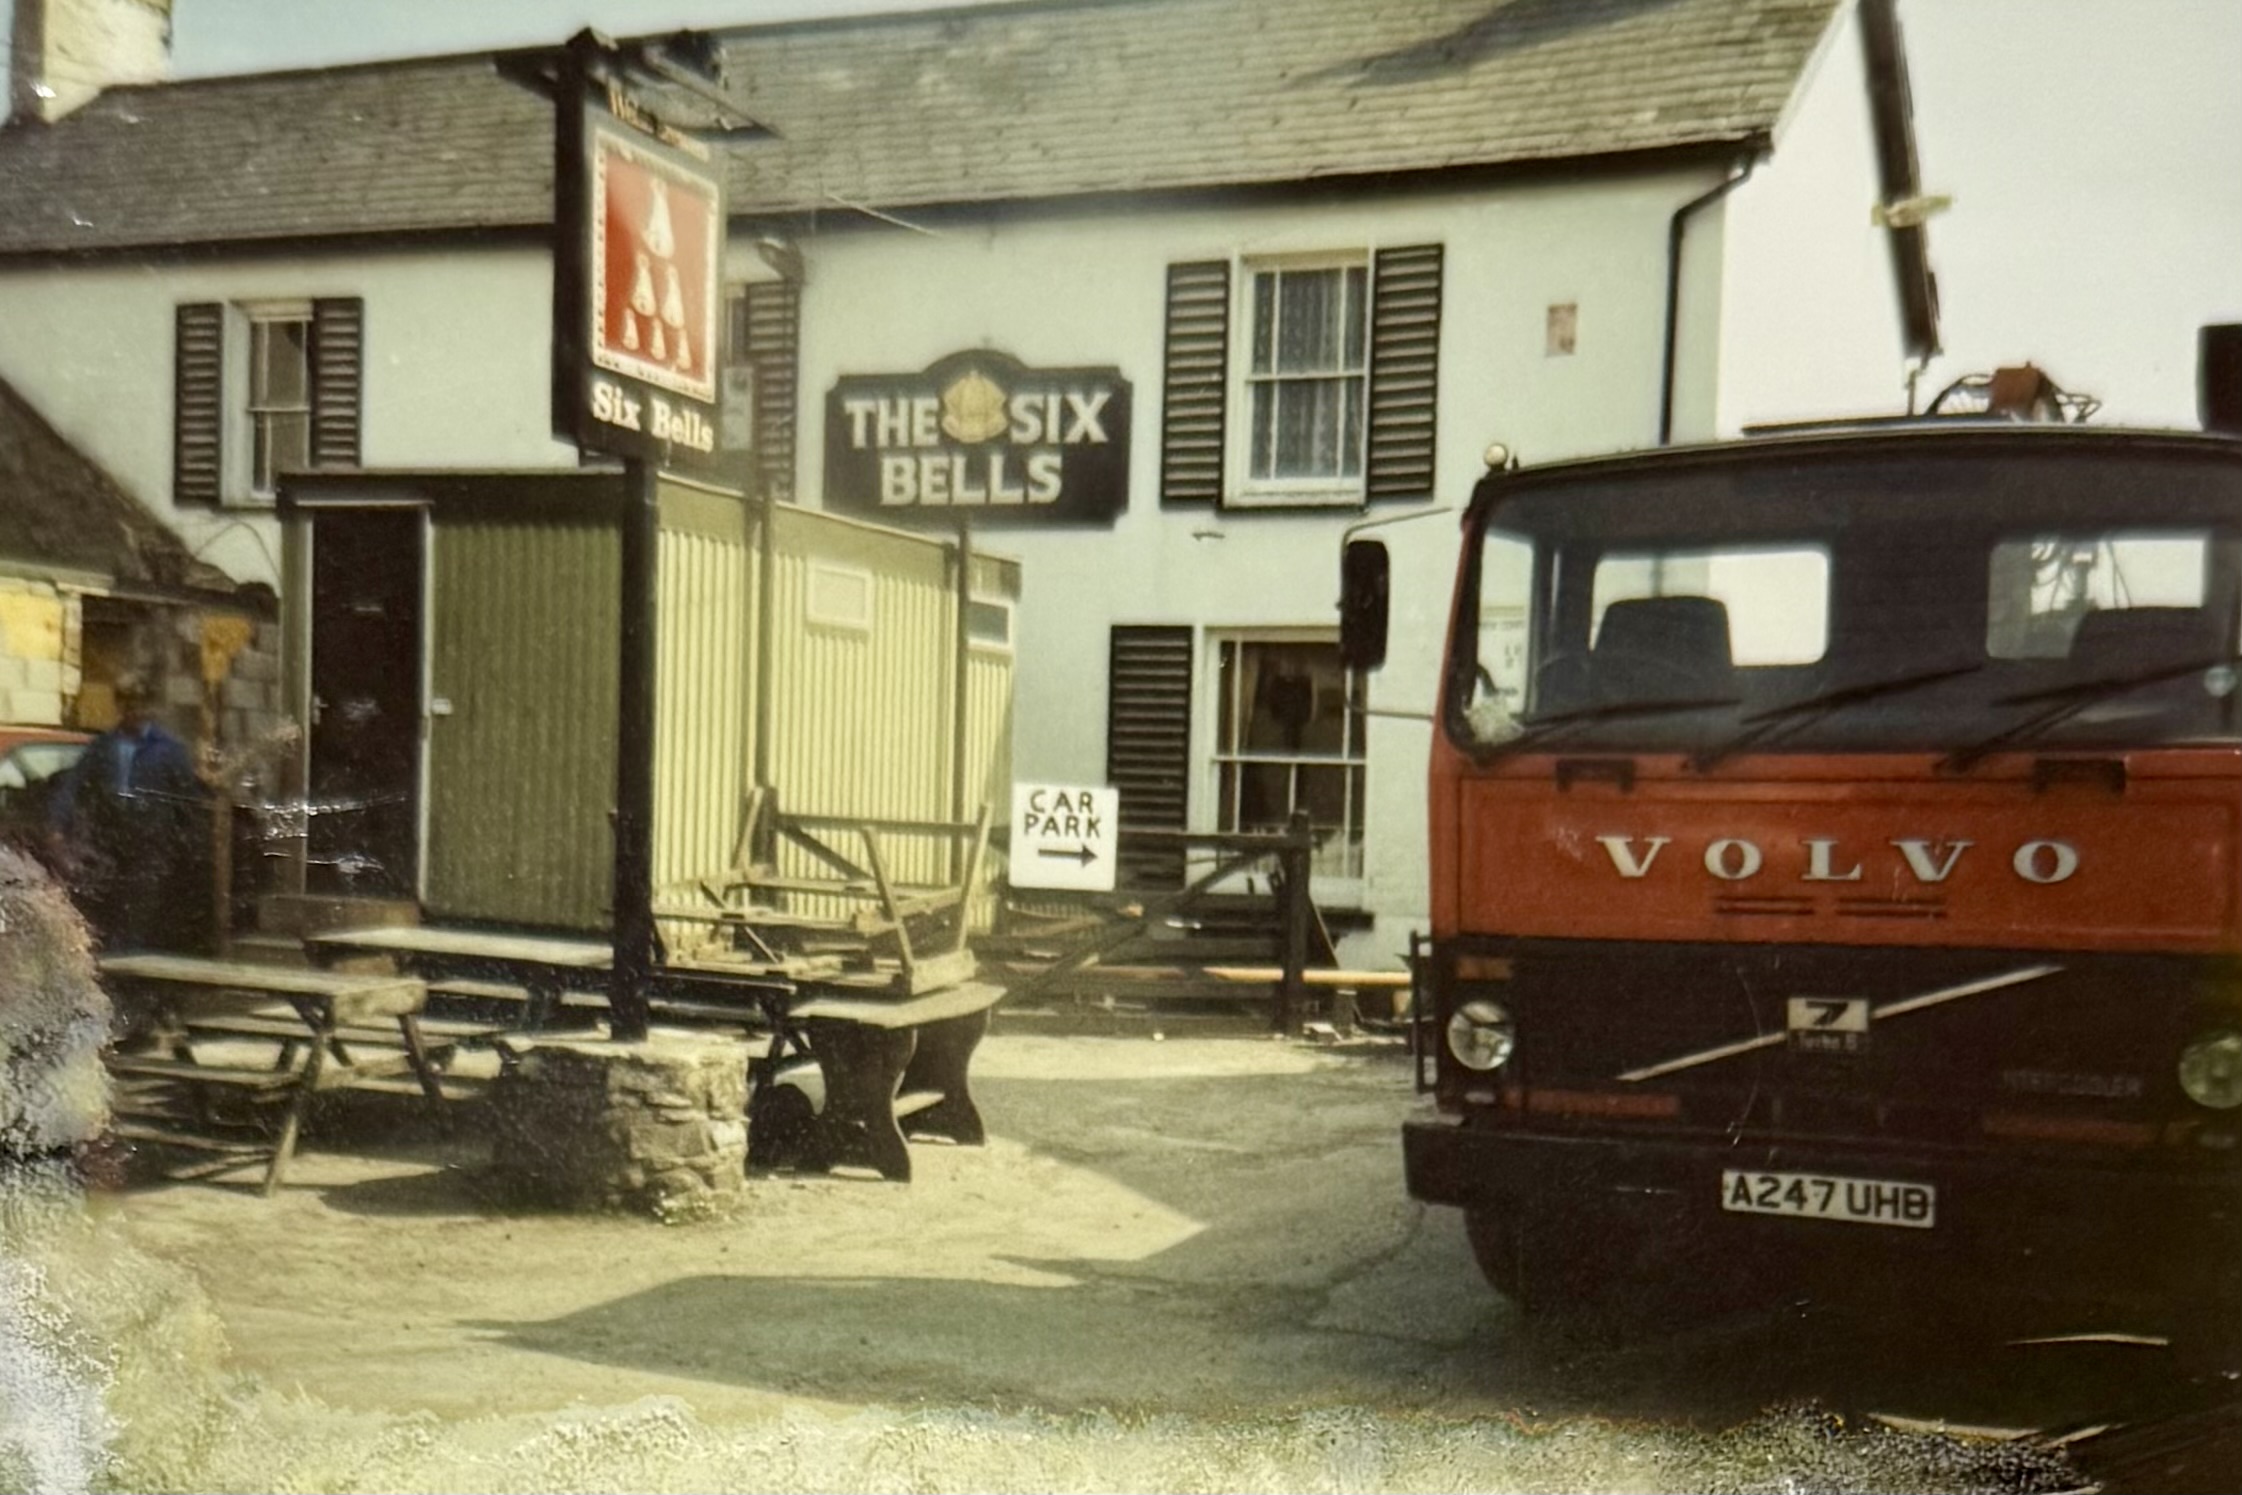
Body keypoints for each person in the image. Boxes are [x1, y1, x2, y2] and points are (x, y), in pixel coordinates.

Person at [45, 673, 208, 954]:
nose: (134, 711)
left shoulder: (169, 750)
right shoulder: (103, 747)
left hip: (153, 844)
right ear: (119, 706)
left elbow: (188, 800)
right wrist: (56, 827)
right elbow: (72, 786)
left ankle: (133, 961)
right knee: (109, 908)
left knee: (141, 908)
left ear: (149, 708)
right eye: (127, 704)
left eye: (140, 705)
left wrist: (189, 842)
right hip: (111, 841)